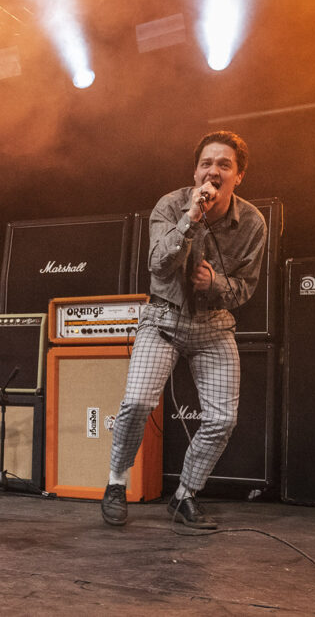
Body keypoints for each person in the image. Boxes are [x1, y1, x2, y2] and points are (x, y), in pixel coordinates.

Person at [102, 131, 266, 530]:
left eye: (224, 165)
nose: (214, 171)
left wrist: (216, 286)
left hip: (213, 327)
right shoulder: (171, 205)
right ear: (195, 171)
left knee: (222, 419)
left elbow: (246, 288)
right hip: (162, 321)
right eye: (207, 164)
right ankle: (116, 483)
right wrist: (190, 220)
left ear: (238, 175)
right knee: (137, 403)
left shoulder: (253, 224)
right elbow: (158, 265)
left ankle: (185, 495)